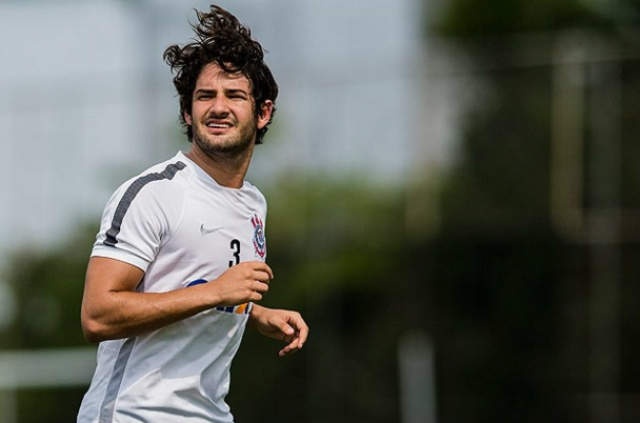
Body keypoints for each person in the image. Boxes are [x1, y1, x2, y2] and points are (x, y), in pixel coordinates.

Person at [77, 5, 308, 423]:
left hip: (209, 414)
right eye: (205, 96)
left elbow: (192, 283)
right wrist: (218, 292)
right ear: (187, 112)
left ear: (263, 112)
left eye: (234, 95)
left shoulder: (254, 203)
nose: (218, 107)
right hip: (133, 415)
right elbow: (97, 314)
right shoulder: (155, 193)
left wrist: (256, 315)